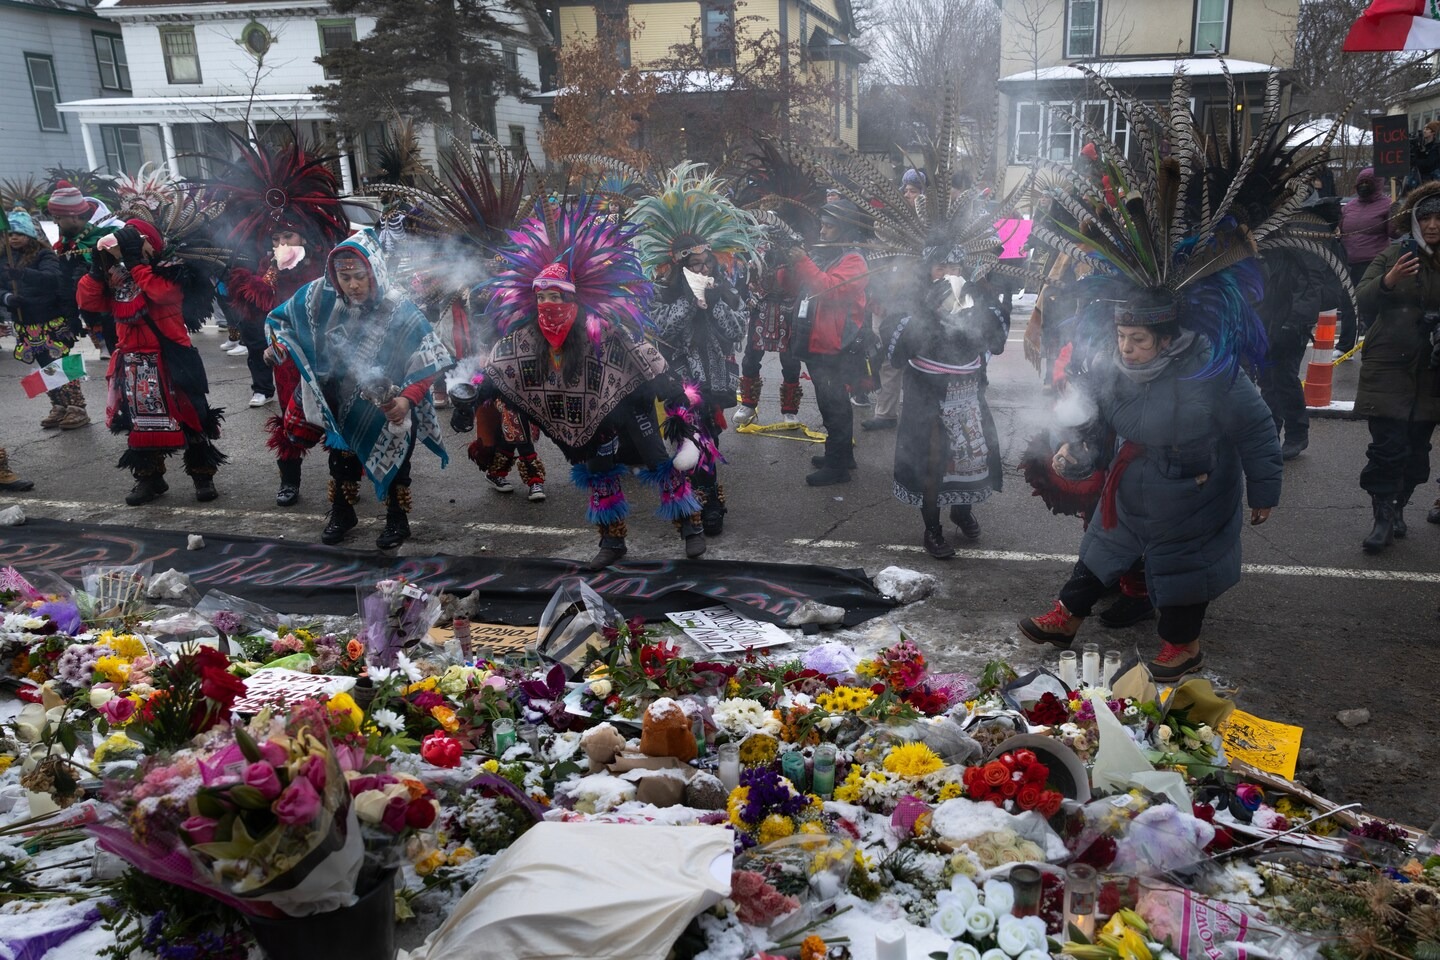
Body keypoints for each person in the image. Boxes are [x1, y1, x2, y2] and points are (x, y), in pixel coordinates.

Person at [1018, 302, 1282, 681]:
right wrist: (1072, 448)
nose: (1126, 348)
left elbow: (1256, 427)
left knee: (1184, 564)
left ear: (1166, 339)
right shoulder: (1113, 366)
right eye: (1122, 337)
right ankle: (1067, 616)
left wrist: (1264, 490)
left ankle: (1184, 647)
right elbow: (1092, 416)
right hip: (1133, 476)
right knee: (1104, 544)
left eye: (1138, 340)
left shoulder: (1211, 369)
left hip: (1196, 487)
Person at [473, 203, 710, 569]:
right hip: (590, 417)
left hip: (632, 405)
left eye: (556, 297)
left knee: (659, 462)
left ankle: (690, 527)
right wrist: (477, 393)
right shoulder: (531, 337)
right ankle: (612, 542)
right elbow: (504, 364)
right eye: (542, 298)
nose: (548, 305)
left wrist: (673, 395)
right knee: (600, 473)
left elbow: (646, 356)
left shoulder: (606, 326)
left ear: (573, 298)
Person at [266, 229, 453, 549]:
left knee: (397, 464)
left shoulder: (400, 310)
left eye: (359, 276)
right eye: (344, 276)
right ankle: (342, 512)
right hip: (338, 402)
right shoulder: (317, 297)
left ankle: (397, 518)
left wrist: (407, 402)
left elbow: (428, 360)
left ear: (375, 272)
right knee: (341, 461)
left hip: (389, 404)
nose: (351, 285)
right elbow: (282, 323)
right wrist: (276, 349)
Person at [203, 133, 350, 509]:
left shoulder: (326, 265)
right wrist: (261, 280)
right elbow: (257, 313)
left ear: (303, 235)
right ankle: (290, 481)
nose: (280, 243)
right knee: (290, 419)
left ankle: (346, 484)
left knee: (340, 420)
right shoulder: (268, 269)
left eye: (287, 235)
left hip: (330, 358)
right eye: (275, 238)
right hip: (287, 361)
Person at [632, 164, 759, 536]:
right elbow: (661, 329)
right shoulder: (663, 293)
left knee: (706, 439)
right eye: (694, 264)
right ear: (679, 267)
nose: (703, 269)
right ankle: (698, 505)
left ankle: (709, 504)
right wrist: (690, 301)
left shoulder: (724, 289)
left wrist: (716, 301)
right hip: (678, 382)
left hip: (714, 380)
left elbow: (736, 331)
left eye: (706, 263)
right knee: (688, 440)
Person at [77, 219, 226, 505]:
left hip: (171, 358)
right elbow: (89, 303)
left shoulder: (171, 270)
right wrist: (97, 271)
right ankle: (149, 478)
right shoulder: (116, 278)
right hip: (133, 362)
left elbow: (163, 294)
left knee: (192, 420)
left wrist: (136, 263)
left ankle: (202, 475)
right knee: (139, 425)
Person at [889, 260, 1007, 558]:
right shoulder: (912, 303)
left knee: (969, 459)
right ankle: (932, 529)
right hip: (928, 403)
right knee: (932, 465)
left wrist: (977, 303)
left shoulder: (976, 301)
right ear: (927, 268)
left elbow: (996, 343)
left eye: (954, 266)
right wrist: (927, 313)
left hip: (967, 398)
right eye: (940, 266)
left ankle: (961, 511)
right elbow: (895, 354)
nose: (948, 273)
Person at [1353, 181, 1440, 552]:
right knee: (1387, 447)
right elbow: (1362, 298)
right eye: (1426, 217)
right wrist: (1388, 281)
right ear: (1415, 221)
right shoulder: (1394, 254)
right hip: (1388, 362)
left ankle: (1400, 505)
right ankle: (1383, 517)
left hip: (1432, 370)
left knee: (1417, 453)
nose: (1433, 225)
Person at [780, 198, 870, 486]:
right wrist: (788, 264)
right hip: (818, 340)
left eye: (830, 226)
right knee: (830, 401)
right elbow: (802, 286)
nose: (823, 230)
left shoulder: (854, 260)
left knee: (835, 404)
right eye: (822, 224)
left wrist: (803, 261)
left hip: (835, 345)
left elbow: (830, 289)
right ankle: (842, 455)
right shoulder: (828, 254)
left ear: (844, 229)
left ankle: (837, 466)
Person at [3, 208, 89, 430]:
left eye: (19, 233)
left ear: (30, 235)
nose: (13, 238)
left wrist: (23, 274)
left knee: (60, 362)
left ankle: (76, 407)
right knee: (44, 364)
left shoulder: (44, 254)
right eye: (10, 233)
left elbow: (52, 280)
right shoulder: (4, 258)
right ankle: (59, 405)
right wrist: (8, 298)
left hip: (51, 320)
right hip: (26, 323)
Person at [1256, 248, 1329, 461]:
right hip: (1267, 313)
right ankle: (1270, 433)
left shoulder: (1305, 227)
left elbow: (1311, 280)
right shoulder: (1271, 229)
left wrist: (1295, 321)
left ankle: (1297, 433)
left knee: (1284, 376)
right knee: (1267, 378)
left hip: (1291, 319)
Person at [46, 181, 122, 357]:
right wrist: (71, 316)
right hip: (100, 316)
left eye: (57, 218)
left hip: (126, 316)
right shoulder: (68, 242)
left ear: (73, 216)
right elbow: (65, 281)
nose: (55, 223)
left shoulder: (114, 231)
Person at [1338, 167, 1396, 357]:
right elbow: (1340, 230)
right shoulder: (1349, 207)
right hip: (1349, 262)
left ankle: (1378, 345)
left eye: (1368, 183)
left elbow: (1394, 233)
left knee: (1371, 305)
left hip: (1373, 263)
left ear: (1377, 185)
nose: (1363, 186)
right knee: (1348, 305)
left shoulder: (1387, 205)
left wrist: (1396, 215)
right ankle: (1344, 345)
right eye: (1360, 183)